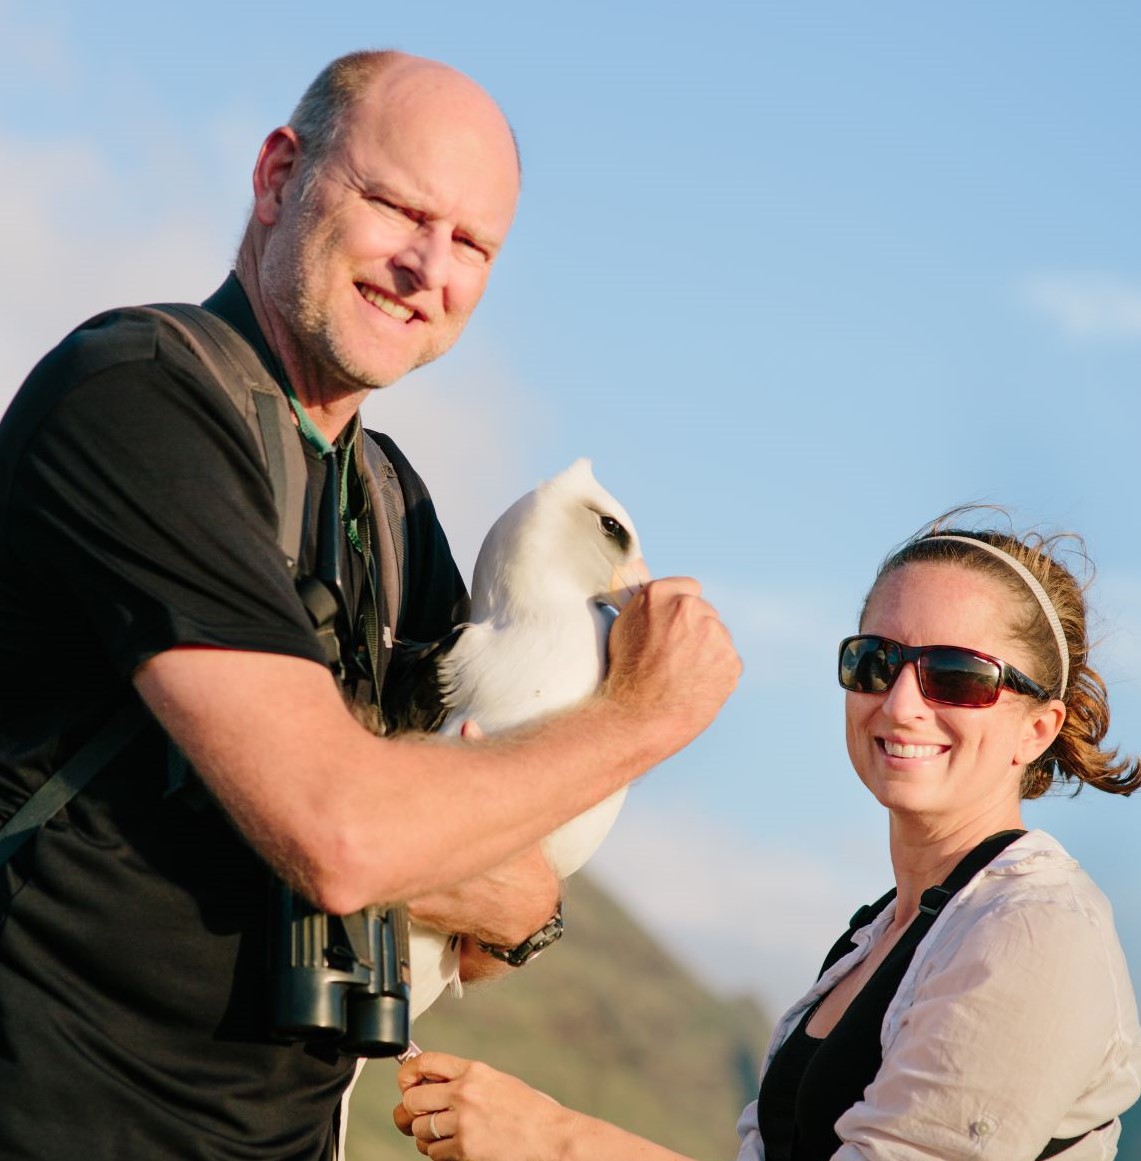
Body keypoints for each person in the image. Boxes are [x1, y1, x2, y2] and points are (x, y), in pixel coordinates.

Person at [0, 50, 741, 1160]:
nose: (426, 267)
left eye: (472, 244)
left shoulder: (389, 503)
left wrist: (508, 895)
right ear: (277, 176)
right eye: (398, 206)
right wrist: (642, 716)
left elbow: (492, 909)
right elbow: (345, 838)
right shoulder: (133, 398)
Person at [396, 514, 1141, 1160]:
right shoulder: (871, 938)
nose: (901, 704)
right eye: (875, 662)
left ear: (1037, 728)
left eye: (955, 675)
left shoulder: (1033, 930)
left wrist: (552, 1139)